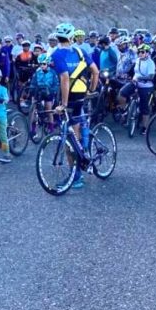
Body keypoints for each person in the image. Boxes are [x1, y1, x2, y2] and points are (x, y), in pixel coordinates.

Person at [51, 23, 99, 189]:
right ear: (71, 38)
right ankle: (84, 151)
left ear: (57, 38)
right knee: (77, 127)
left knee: (68, 138)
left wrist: (63, 104)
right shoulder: (80, 51)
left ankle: (76, 176)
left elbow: (64, 78)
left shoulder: (56, 54)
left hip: (68, 96)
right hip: (81, 93)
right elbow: (96, 72)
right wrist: (91, 89)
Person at [117, 44, 155, 132]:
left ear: (147, 53)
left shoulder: (150, 63)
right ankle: (125, 110)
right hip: (135, 83)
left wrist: (140, 78)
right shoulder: (137, 60)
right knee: (122, 93)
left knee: (144, 108)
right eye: (139, 52)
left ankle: (145, 127)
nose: (140, 54)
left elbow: (151, 76)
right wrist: (125, 74)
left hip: (146, 86)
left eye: (142, 52)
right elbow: (132, 70)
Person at [29, 54, 59, 133]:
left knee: (48, 110)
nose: (42, 66)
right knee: (33, 110)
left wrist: (51, 91)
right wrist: (32, 88)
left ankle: (51, 127)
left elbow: (56, 85)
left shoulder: (53, 72)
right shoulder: (37, 71)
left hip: (48, 92)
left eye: (44, 64)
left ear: (48, 64)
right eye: (40, 64)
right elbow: (33, 81)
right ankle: (33, 128)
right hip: (38, 91)